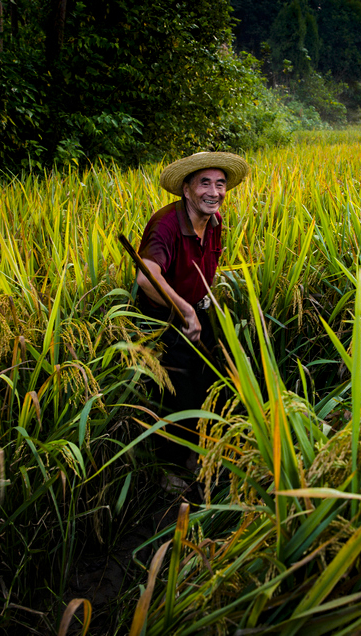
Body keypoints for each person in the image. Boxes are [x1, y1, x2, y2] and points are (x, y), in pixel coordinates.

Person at [133, 151, 249, 467]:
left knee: (224, 372)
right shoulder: (166, 224)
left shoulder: (214, 221)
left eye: (220, 184)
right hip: (166, 318)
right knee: (179, 392)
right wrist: (184, 309)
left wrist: (202, 306)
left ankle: (216, 446)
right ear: (187, 189)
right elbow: (146, 278)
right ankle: (171, 468)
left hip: (199, 310)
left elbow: (206, 268)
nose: (214, 192)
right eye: (205, 183)